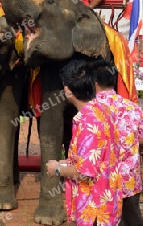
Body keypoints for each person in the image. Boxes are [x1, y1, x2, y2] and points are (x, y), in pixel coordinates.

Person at [46, 59, 121, 226]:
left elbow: (86, 172)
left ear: (68, 90)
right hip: (104, 203)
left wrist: (57, 169)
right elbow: (94, 158)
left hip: (95, 209)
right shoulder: (101, 110)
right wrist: (65, 162)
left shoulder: (89, 123)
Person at [93, 59, 143, 226]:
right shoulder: (133, 108)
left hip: (102, 182)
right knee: (133, 220)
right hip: (129, 180)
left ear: (94, 82)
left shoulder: (89, 111)